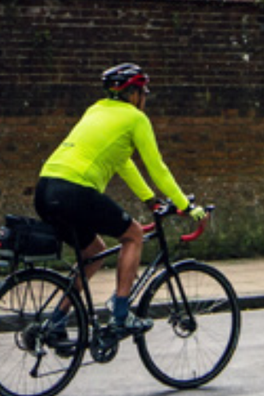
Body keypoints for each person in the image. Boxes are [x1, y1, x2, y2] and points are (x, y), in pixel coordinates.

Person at [34, 63, 207, 337]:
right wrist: (186, 205)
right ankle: (121, 313)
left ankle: (56, 320)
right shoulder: (135, 119)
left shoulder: (96, 109)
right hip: (75, 191)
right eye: (144, 93)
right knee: (133, 234)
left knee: (93, 254)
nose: (145, 99)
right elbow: (157, 168)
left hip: (45, 190)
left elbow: (123, 163)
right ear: (134, 94)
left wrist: (150, 200)